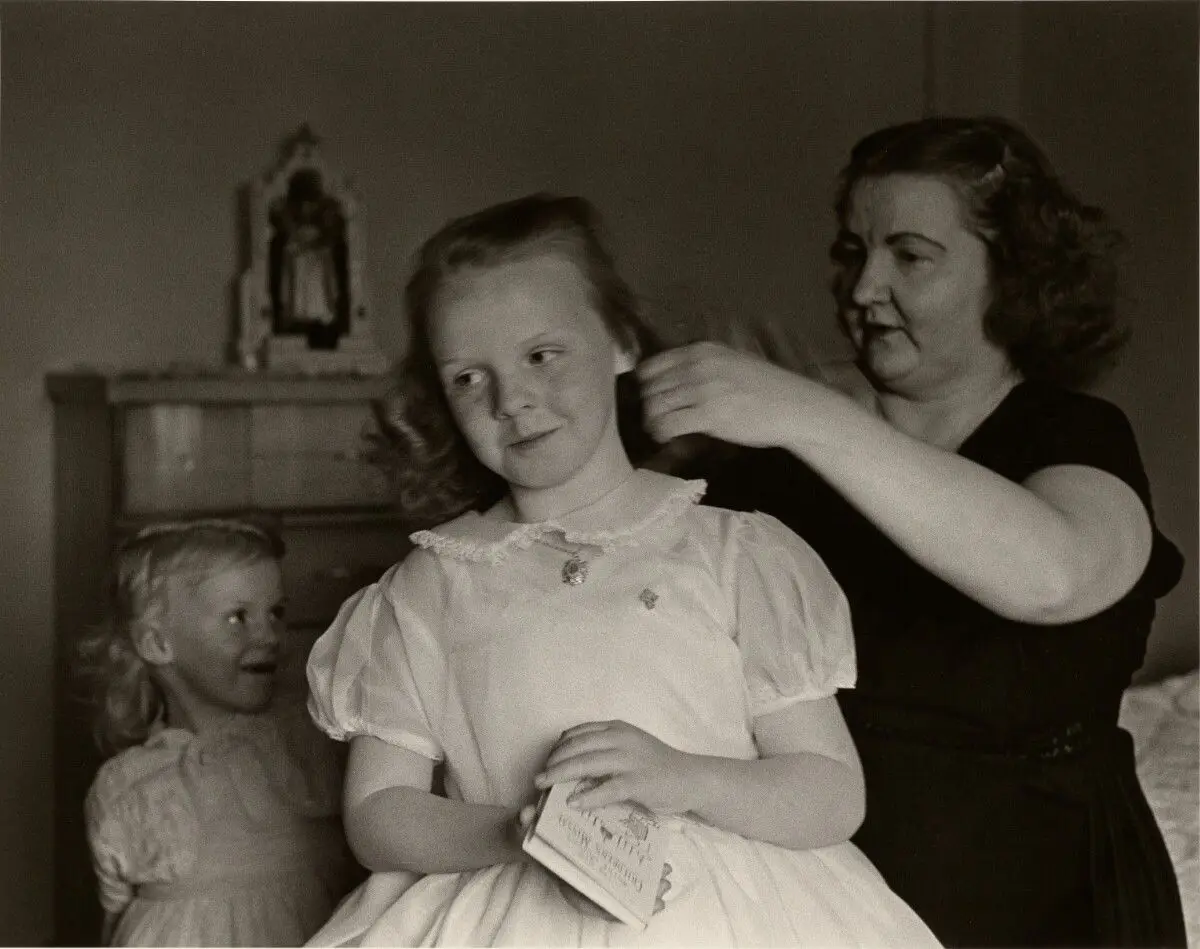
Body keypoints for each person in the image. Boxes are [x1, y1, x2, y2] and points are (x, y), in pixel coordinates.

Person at [304, 193, 940, 946]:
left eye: (544, 355)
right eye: (469, 378)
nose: (513, 400)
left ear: (621, 342)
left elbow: (832, 791)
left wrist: (687, 777)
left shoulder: (735, 554)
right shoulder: (430, 584)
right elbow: (380, 813)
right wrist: (514, 833)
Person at [637, 115, 1187, 948]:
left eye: (911, 255)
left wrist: (801, 408)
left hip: (1053, 901)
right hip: (834, 897)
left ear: (1012, 272)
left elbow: (1055, 576)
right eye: (853, 252)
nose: (862, 290)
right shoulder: (773, 468)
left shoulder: (1076, 435)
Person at [78, 518, 359, 947]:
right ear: (157, 644)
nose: (269, 635)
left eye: (276, 612)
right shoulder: (128, 787)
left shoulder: (313, 746)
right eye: (237, 617)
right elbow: (114, 914)